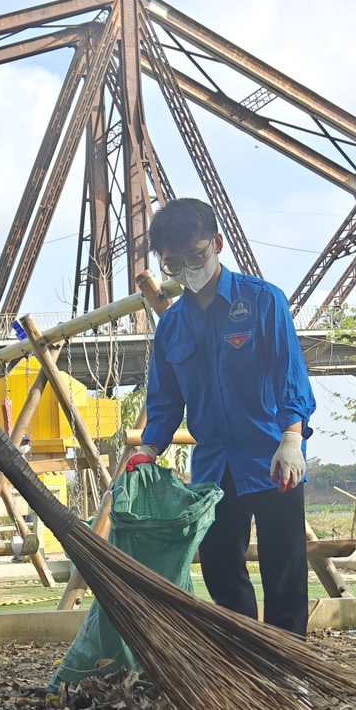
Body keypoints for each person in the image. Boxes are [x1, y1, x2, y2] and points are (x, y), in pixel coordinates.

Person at [125, 197, 315, 635]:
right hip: (213, 467)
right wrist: (150, 448)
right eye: (173, 264)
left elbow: (291, 374)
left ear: (217, 244)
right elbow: (166, 400)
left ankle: (291, 667)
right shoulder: (172, 326)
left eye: (196, 256)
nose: (188, 269)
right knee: (219, 567)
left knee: (284, 570)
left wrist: (291, 438)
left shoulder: (263, 301)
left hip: (273, 458)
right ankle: (247, 658)